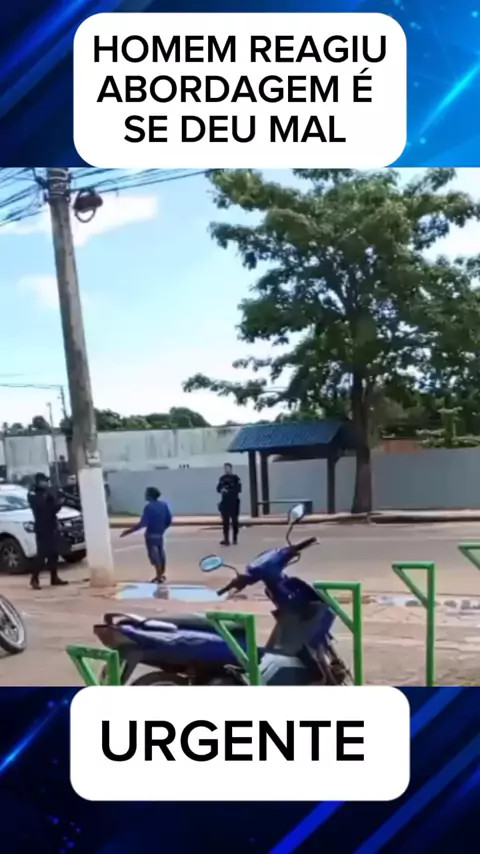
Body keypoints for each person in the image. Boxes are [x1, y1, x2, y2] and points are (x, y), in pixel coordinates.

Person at [120, 486, 172, 583]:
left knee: (154, 554)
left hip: (151, 534)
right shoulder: (163, 505)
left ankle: (159, 575)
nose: (145, 495)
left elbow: (143, 523)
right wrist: (162, 528)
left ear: (150, 495)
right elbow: (168, 520)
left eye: (146, 493)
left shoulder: (149, 507)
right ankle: (161, 574)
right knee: (160, 552)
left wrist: (128, 531)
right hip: (159, 534)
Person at [28, 472, 68, 590]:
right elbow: (40, 507)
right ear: (38, 482)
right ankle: (34, 579)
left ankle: (54, 577)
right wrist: (49, 497)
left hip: (51, 525)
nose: (46, 483)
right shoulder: (33, 493)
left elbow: (53, 509)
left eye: (47, 481)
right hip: (42, 527)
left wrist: (60, 501)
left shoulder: (48, 493)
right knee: (42, 555)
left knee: (54, 553)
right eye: (44, 481)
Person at [217, 462, 242, 546]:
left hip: (234, 502)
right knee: (225, 522)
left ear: (231, 468)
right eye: (225, 468)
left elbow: (238, 489)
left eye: (227, 468)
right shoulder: (222, 478)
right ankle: (226, 539)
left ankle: (235, 538)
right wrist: (222, 489)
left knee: (235, 521)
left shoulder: (235, 478)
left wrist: (229, 491)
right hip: (225, 503)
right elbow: (218, 488)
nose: (226, 470)